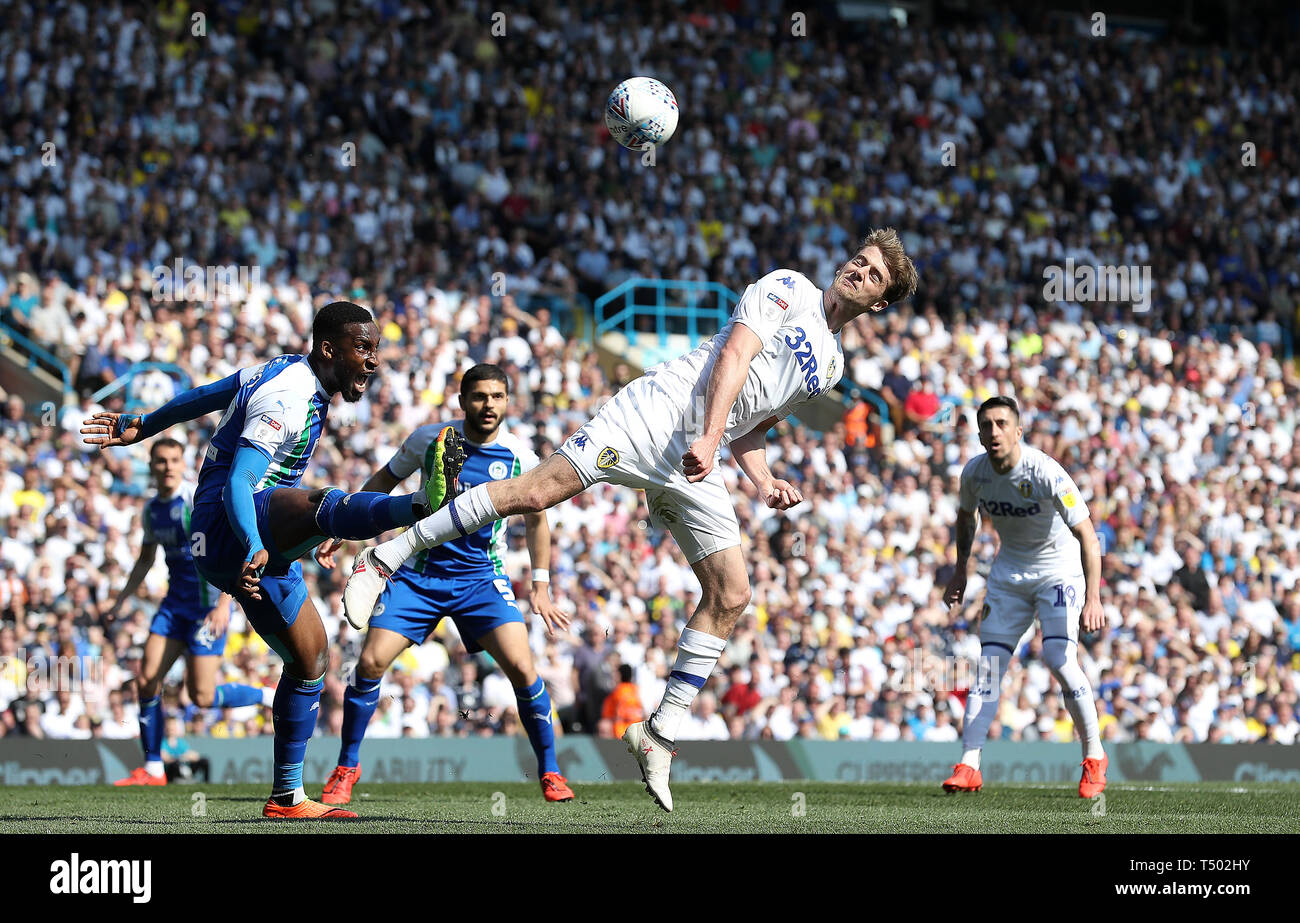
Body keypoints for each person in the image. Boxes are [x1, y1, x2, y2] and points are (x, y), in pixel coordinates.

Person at [344, 229, 918, 811]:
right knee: (537, 493)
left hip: (698, 453)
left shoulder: (832, 363)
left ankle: (658, 734)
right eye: (859, 261)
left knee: (733, 592)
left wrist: (764, 481)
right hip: (657, 415)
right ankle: (386, 556)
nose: (858, 273)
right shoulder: (788, 287)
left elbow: (756, 425)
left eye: (873, 276)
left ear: (881, 302)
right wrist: (710, 435)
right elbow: (735, 357)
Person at [82, 301, 465, 820]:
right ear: (329, 349)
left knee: (312, 659)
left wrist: (144, 424)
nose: (373, 361)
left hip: (250, 536)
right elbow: (240, 481)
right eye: (364, 348)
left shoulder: (278, 370)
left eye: (376, 349)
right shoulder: (287, 394)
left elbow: (207, 394)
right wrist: (254, 545)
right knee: (319, 501)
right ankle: (421, 505)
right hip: (228, 526)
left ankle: (287, 797)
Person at [315, 363, 575, 804]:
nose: (488, 405)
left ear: (508, 401)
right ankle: (346, 767)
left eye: (496, 396)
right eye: (479, 396)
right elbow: (384, 481)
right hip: (418, 575)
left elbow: (537, 520)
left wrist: (541, 585)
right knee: (371, 664)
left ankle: (550, 773)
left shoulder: (520, 457)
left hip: (481, 579)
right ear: (462, 401)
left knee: (524, 671)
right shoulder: (430, 439)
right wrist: (345, 523)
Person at [941, 395, 1108, 799]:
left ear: (1018, 431)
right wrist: (960, 569)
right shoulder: (975, 474)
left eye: (1001, 424)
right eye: (986, 426)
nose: (994, 432)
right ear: (980, 435)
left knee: (1057, 658)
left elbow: (1087, 533)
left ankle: (1094, 756)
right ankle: (969, 764)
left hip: (1058, 572)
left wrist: (1093, 597)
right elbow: (967, 519)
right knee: (989, 669)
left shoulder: (1046, 471)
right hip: (1009, 574)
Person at [108, 437, 273, 785]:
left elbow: (228, 548)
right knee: (146, 680)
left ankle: (266, 695)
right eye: (161, 461)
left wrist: (225, 602)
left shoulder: (194, 500)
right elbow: (145, 559)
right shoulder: (152, 510)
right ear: (151, 466)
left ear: (183, 464)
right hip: (173, 609)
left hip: (205, 610)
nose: (167, 467)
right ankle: (153, 767)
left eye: (173, 460)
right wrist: (120, 601)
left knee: (201, 697)